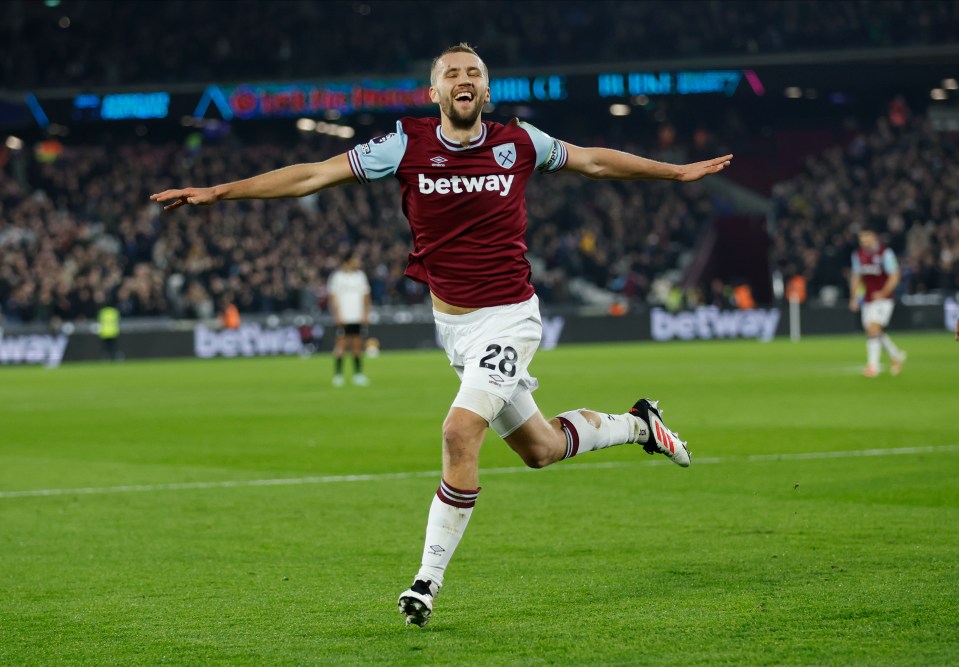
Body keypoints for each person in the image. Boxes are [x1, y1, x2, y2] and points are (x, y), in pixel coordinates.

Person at [151, 43, 733, 628]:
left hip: (510, 317)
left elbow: (595, 161)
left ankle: (425, 581)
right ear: (434, 93)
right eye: (450, 74)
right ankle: (639, 424)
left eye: (473, 73)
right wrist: (219, 191)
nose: (463, 80)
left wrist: (677, 171)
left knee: (459, 431)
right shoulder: (404, 145)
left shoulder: (519, 142)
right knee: (541, 450)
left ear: (486, 91)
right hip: (454, 328)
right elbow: (313, 175)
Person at [849, 227, 906, 377]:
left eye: (866, 239)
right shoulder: (858, 255)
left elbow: (895, 276)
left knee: (873, 328)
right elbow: (856, 277)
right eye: (861, 240)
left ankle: (872, 367)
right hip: (868, 299)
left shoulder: (885, 254)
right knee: (873, 331)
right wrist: (854, 297)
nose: (864, 242)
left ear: (874, 238)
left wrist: (883, 293)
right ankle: (895, 356)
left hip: (884, 300)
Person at [328, 253, 372, 386]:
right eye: (355, 260)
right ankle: (338, 375)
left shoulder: (360, 276)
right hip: (344, 317)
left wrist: (365, 314)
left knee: (357, 346)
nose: (357, 262)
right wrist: (337, 315)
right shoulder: (337, 277)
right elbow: (333, 298)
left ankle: (358, 375)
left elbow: (366, 296)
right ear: (347, 261)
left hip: (357, 316)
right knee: (341, 345)